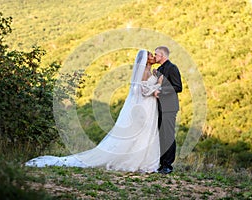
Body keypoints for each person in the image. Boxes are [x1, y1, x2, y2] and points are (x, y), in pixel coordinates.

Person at [25, 50, 163, 173]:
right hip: (143, 105)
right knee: (139, 133)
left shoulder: (150, 71)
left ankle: (145, 160)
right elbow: (142, 90)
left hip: (150, 105)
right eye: (150, 55)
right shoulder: (144, 72)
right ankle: (134, 160)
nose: (152, 56)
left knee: (147, 132)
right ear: (145, 59)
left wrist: (157, 82)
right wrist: (158, 86)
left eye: (152, 54)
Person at [153, 46, 182, 174]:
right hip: (159, 106)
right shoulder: (159, 69)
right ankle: (162, 163)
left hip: (169, 107)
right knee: (161, 136)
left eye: (156, 54)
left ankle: (168, 165)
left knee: (169, 135)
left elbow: (178, 87)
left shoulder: (173, 68)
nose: (154, 57)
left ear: (162, 55)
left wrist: (161, 91)